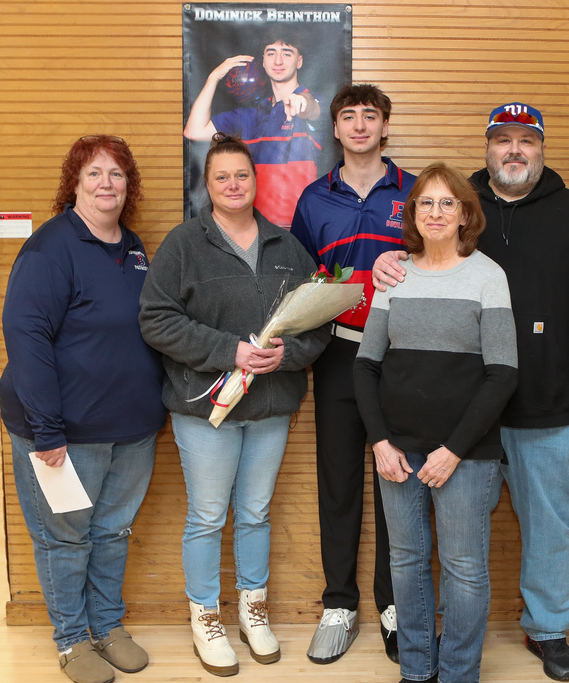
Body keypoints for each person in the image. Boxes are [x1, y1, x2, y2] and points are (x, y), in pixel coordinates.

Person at [374, 102, 569, 682]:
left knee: (550, 521)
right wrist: (388, 262)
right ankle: (437, 645)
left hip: (550, 406)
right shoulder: (461, 209)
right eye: (502, 140)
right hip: (461, 417)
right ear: (487, 148)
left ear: (542, 148)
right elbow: (418, 264)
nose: (514, 150)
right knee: (455, 545)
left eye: (526, 141)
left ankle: (546, 629)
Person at [139, 134, 329, 678]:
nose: (232, 185)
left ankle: (252, 609)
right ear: (208, 184)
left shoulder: (287, 247)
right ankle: (206, 617)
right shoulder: (183, 244)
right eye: (221, 177)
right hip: (206, 411)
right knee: (206, 516)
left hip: (270, 407)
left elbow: (319, 320)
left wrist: (286, 356)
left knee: (255, 513)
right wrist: (231, 352)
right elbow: (156, 319)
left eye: (241, 175)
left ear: (255, 179)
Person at [0, 135, 167, 683]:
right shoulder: (50, 248)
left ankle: (107, 627)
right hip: (63, 434)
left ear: (129, 186)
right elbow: (26, 340)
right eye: (94, 173)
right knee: (65, 539)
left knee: (113, 532)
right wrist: (46, 432)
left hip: (132, 429)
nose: (106, 184)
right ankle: (72, 640)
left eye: (117, 174)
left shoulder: (135, 247)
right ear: (74, 182)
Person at [354, 162, 517, 683]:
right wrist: (380, 440)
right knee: (406, 563)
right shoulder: (395, 274)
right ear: (412, 213)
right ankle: (417, 671)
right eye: (426, 202)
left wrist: (454, 450)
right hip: (397, 450)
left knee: (464, 570)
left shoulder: (488, 276)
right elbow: (365, 365)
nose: (437, 212)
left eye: (449, 203)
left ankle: (459, 673)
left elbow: (503, 374)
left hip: (465, 454)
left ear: (467, 213)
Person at [290, 83, 415, 665]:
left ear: (386, 126)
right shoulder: (315, 198)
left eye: (371, 116)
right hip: (340, 357)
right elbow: (300, 285)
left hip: (404, 358)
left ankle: (395, 606)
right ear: (335, 129)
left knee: (397, 481)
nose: (361, 125)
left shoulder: (415, 193)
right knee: (338, 483)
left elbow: (445, 259)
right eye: (349, 117)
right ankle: (339, 605)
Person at [184, 27, 322, 227]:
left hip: (299, 231)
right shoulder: (250, 115)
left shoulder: (315, 102)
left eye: (287, 53)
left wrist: (303, 102)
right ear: (263, 62)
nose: (278, 61)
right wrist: (214, 77)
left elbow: (313, 108)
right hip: (255, 232)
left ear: (299, 61)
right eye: (271, 53)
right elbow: (194, 131)